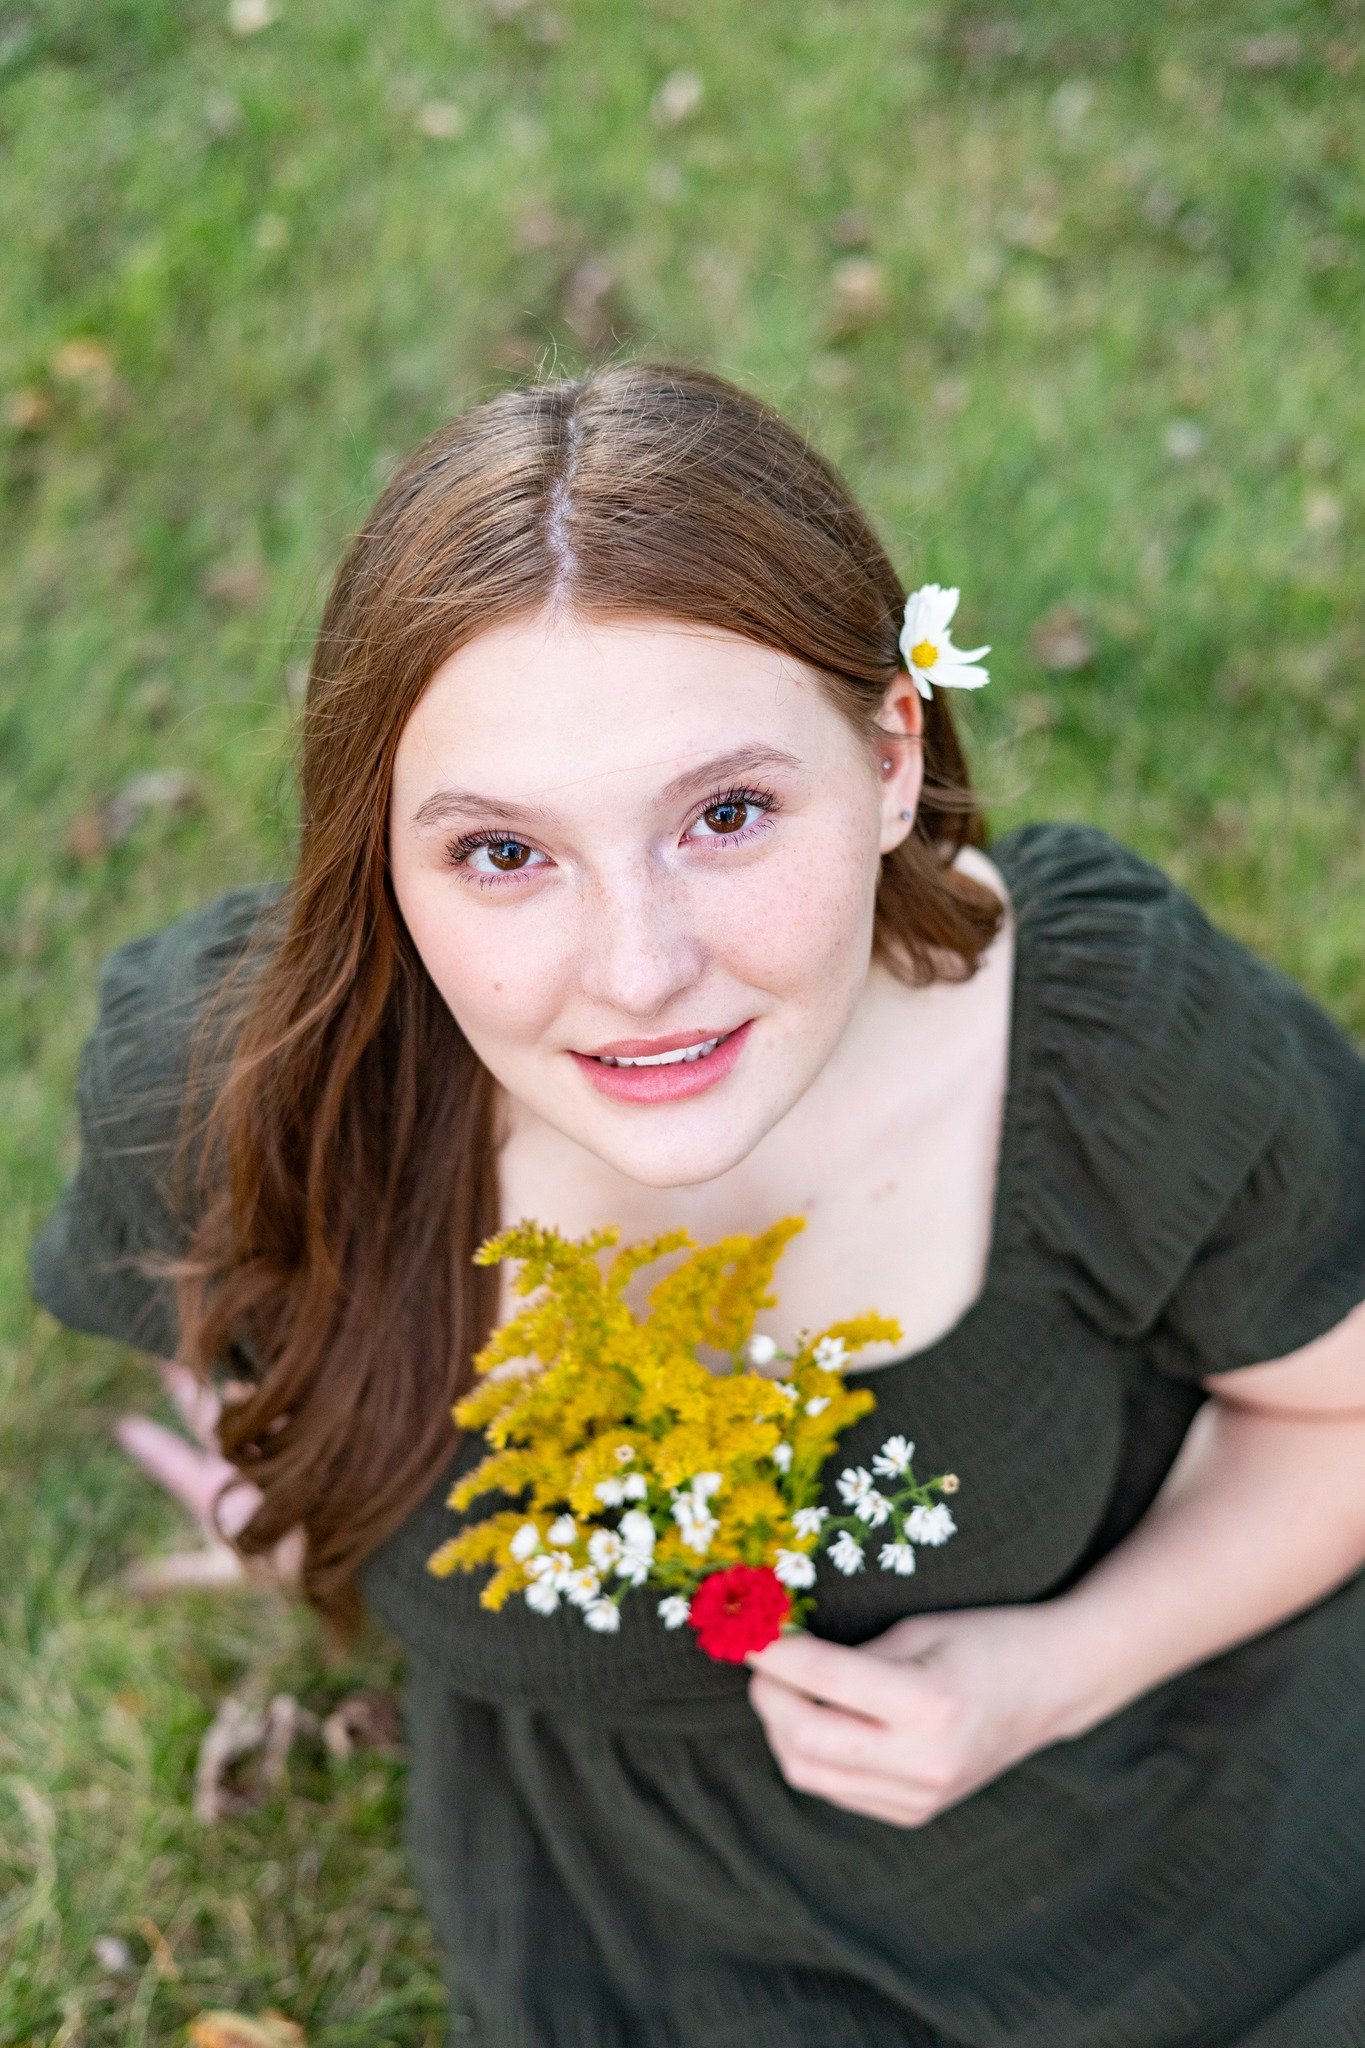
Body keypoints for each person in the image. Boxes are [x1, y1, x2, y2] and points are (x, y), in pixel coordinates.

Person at [28, 361, 1365, 2048]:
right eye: (503, 855)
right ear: (378, 854)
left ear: (889, 759)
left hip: (1188, 1812)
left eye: (726, 815)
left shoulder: (1105, 1050)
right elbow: (211, 1337)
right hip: (645, 1935)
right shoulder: (232, 1094)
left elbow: (1342, 1418)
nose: (641, 975)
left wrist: (1051, 1675)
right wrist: (299, 1482)